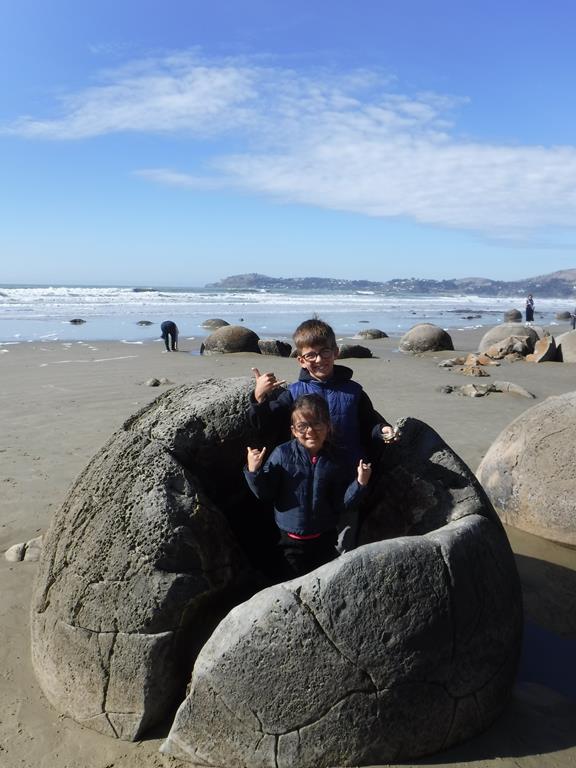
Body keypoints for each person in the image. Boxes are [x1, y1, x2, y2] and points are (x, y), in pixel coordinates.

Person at [248, 317, 396, 549]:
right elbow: (265, 425)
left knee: (345, 543)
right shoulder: (294, 393)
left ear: (336, 352)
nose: (319, 360)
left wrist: (383, 431)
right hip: (307, 480)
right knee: (307, 544)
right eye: (311, 355)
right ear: (301, 360)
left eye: (325, 352)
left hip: (348, 477)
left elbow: (369, 423)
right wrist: (259, 397)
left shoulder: (353, 391)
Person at [244, 394, 372, 579]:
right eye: (302, 426)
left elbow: (341, 503)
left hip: (325, 539)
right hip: (288, 541)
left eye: (317, 424)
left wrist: (360, 484)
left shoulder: (336, 459)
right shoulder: (282, 454)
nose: (310, 431)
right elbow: (265, 493)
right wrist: (254, 471)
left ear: (328, 427)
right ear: (294, 430)